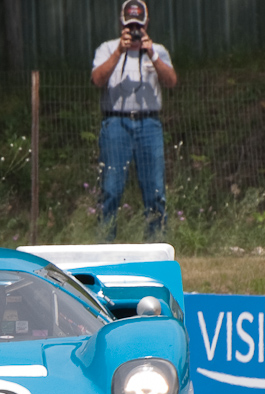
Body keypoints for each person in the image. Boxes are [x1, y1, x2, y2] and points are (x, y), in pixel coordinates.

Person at [91, 0, 177, 241]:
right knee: (110, 190)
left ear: (147, 23)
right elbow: (97, 79)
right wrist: (120, 51)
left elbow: (171, 81)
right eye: (130, 27)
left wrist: (152, 54)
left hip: (149, 124)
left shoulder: (157, 50)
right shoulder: (107, 49)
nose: (135, 32)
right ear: (122, 24)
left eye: (139, 26)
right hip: (115, 124)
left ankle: (156, 245)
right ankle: (105, 247)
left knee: (156, 191)